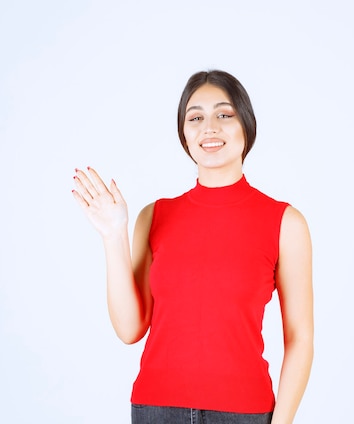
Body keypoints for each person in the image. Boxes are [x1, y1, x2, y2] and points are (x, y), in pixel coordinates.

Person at [72, 70, 313, 424]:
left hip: (243, 414)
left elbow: (300, 337)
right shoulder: (154, 216)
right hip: (155, 410)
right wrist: (113, 236)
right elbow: (130, 328)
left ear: (246, 125)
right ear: (184, 135)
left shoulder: (285, 223)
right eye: (195, 117)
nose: (209, 127)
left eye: (224, 114)